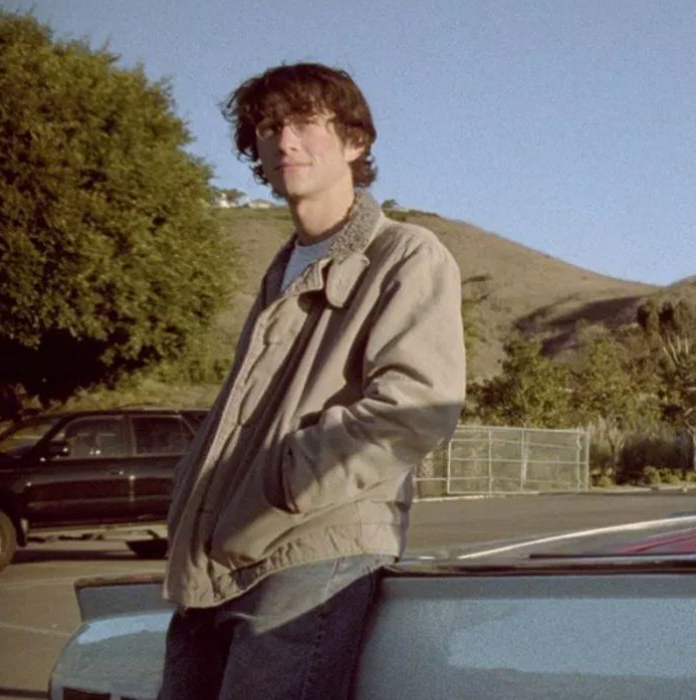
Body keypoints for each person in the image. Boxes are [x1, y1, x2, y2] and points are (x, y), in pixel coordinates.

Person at [160, 63, 466, 698]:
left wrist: (286, 477)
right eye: (268, 127)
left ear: (355, 141)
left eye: (303, 122)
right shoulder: (282, 268)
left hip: (314, 547)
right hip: (221, 551)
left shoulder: (406, 254)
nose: (283, 140)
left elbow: (416, 406)